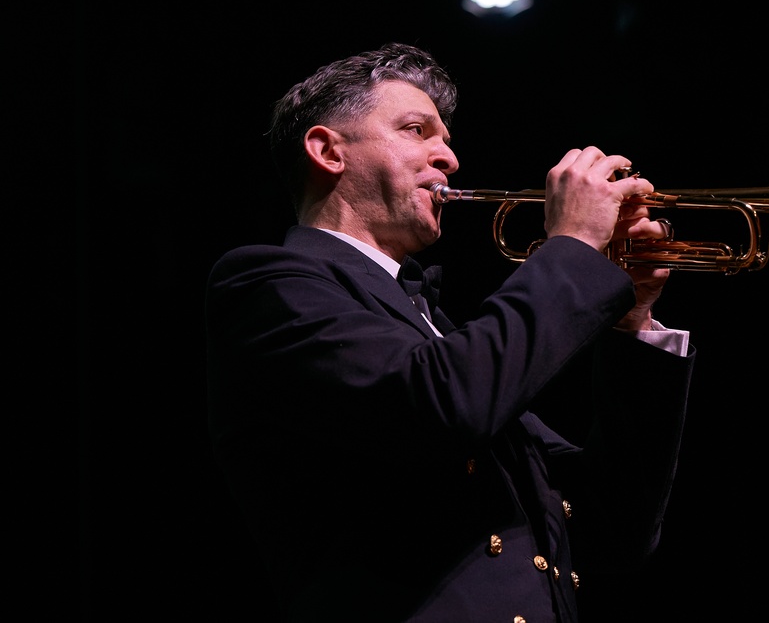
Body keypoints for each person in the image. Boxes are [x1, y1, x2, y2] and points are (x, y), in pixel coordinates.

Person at [205, 42, 695, 622]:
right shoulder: (266, 283)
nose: (450, 158)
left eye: (447, 138)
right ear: (327, 151)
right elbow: (444, 402)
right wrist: (572, 248)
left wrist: (630, 317)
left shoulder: (435, 326)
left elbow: (614, 531)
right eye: (417, 130)